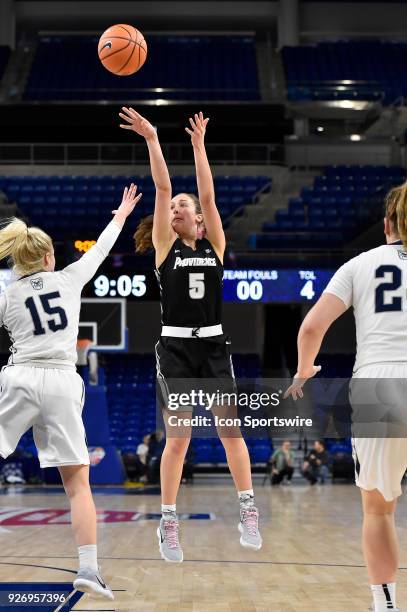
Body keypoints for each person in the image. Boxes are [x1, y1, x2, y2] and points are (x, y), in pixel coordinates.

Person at [119, 107, 262, 563]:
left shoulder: (215, 244)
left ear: (199, 222)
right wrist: (153, 139)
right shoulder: (164, 246)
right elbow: (162, 187)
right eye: (175, 206)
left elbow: (208, 194)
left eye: (185, 206)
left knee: (230, 431)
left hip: (215, 344)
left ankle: (248, 509)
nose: (178, 206)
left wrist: (200, 146)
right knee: (178, 438)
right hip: (177, 346)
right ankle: (168, 523)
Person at [0, 183, 142, 600]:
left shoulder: (8, 297)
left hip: (21, 375)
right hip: (62, 381)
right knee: (78, 485)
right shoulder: (68, 280)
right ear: (48, 257)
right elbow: (101, 247)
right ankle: (89, 569)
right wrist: (120, 214)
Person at [284, 182, 407, 612]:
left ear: (387, 223)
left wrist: (304, 371)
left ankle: (386, 606)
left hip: (378, 384)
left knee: (379, 510)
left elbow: (311, 328)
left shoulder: (359, 264)